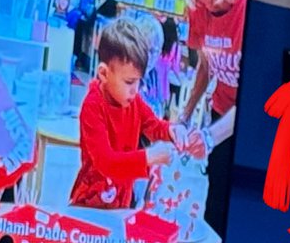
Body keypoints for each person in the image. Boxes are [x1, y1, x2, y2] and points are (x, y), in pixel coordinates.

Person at [70, 18, 201, 209]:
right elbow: (106, 162)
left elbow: (154, 125)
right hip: (91, 202)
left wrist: (172, 130)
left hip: (122, 201)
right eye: (129, 82)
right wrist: (148, 157)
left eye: (139, 81)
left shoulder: (134, 101)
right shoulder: (92, 106)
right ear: (104, 74)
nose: (135, 89)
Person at [181, 0, 249, 237]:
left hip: (249, 119)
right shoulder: (198, 9)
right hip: (220, 111)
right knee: (215, 203)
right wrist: (184, 117)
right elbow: (205, 67)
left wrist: (210, 136)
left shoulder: (245, 9)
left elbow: (251, 96)